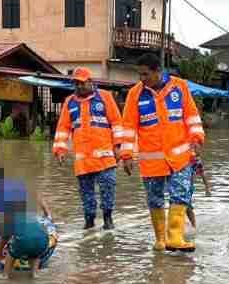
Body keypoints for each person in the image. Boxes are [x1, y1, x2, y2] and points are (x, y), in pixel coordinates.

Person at [119, 53, 206, 252]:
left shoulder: (180, 87)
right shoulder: (135, 94)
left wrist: (197, 138)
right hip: (151, 160)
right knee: (154, 199)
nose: (142, 79)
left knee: (180, 194)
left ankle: (175, 237)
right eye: (139, 75)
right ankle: (160, 240)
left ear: (158, 71)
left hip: (180, 156)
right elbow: (129, 127)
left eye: (146, 74)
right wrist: (126, 155)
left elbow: (191, 115)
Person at [53, 67, 122, 230]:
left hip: (105, 156)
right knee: (86, 193)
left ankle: (107, 218)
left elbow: (117, 123)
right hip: (83, 160)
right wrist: (60, 150)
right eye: (76, 84)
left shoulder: (105, 97)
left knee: (108, 187)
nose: (79, 87)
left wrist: (118, 147)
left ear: (91, 82)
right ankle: (89, 221)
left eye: (82, 83)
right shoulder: (69, 102)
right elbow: (63, 128)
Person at [0, 167, 58, 279]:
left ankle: (5, 275)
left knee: (12, 252)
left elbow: (5, 235)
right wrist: (48, 215)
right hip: (42, 241)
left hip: (23, 239)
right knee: (34, 252)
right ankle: (35, 274)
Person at [185, 152, 213, 229]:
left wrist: (207, 188)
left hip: (188, 186)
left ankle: (194, 226)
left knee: (187, 206)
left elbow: (202, 173)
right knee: (179, 205)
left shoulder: (195, 159)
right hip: (177, 184)